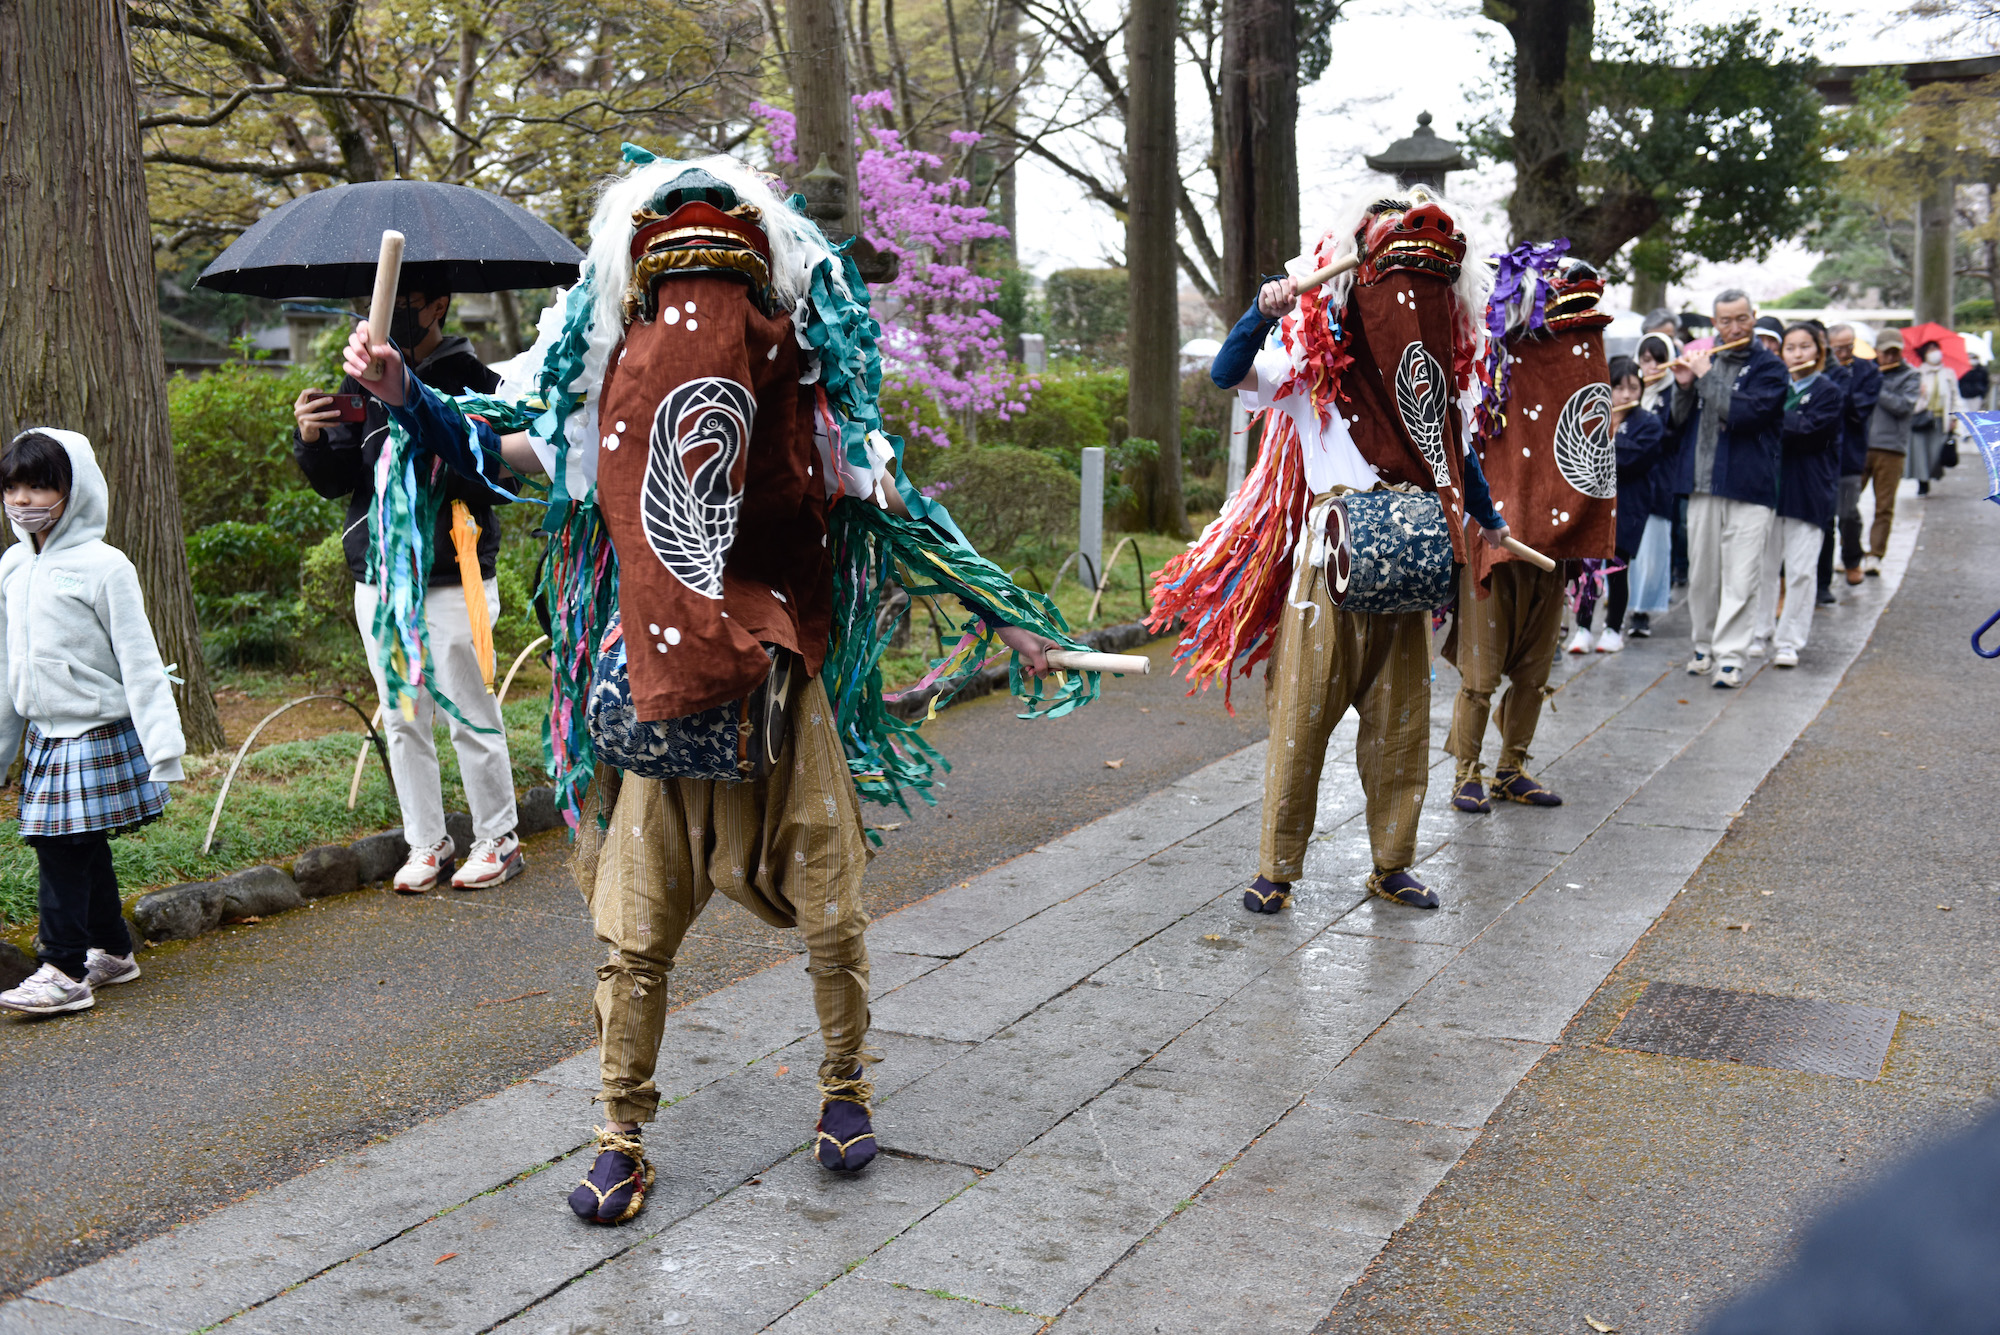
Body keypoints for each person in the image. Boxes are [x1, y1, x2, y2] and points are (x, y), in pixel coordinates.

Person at [342, 155, 1076, 1224]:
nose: (701, 315)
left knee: (831, 905)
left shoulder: (804, 389)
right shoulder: (596, 394)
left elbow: (889, 500)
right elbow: (494, 441)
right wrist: (401, 392)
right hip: (653, 687)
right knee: (633, 934)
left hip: (780, 680)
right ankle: (618, 1135)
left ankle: (843, 1089)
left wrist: (1006, 613)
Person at [1178, 187, 1507, 913]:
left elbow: (1457, 456)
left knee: (1401, 721)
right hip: (1330, 560)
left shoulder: (1432, 375)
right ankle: (1276, 868)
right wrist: (1259, 312)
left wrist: (1491, 521)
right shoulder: (1313, 364)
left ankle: (1393, 861)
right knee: (1302, 716)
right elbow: (1227, 373)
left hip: (1412, 556)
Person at [293, 283, 522, 893]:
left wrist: (425, 423)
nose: (390, 312)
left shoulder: (479, 379)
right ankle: (427, 841)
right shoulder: (359, 377)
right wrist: (312, 438)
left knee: (469, 710)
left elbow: (502, 477)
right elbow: (339, 480)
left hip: (453, 572)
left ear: (439, 304)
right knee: (401, 714)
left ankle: (498, 837)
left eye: (405, 298)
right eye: (376, 300)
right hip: (381, 576)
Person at [0, 430, 186, 1017]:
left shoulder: (106, 567)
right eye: (13, 487)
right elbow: (10, 666)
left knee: (60, 847)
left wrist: (165, 748)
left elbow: (140, 659)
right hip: (44, 736)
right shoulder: (11, 566)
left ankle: (61, 967)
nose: (25, 499)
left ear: (72, 490)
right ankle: (112, 949)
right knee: (80, 847)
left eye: (40, 486)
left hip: (94, 733)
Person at [1449, 247, 1615, 811]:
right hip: (1495, 529)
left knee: (1535, 666)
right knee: (1481, 665)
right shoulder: (1496, 351)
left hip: (1555, 528)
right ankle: (1465, 773)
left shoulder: (1583, 359)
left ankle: (1512, 767)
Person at [1670, 289, 1787, 689]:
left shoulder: (1770, 367)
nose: (1735, 327)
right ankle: (1703, 646)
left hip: (1750, 487)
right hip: (1701, 484)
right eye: (1726, 321)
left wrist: (1705, 376)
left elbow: (1743, 414)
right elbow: (1676, 422)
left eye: (1742, 319)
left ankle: (1731, 656)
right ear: (1714, 323)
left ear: (1754, 317)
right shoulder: (1707, 360)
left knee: (1742, 575)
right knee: (1702, 574)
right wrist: (1685, 386)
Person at [1751, 324, 1841, 667]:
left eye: (1805, 347)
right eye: (1791, 348)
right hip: (1768, 490)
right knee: (1764, 568)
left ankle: (1789, 640)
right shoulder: (1774, 388)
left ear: (1818, 351)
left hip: (1809, 491)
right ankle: (1759, 631)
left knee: (1802, 571)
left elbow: (1809, 430)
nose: (1798, 354)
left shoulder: (1828, 390)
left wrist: (1769, 415)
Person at [1600, 355, 1667, 654]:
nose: (1626, 395)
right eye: (1619, 387)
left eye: (1633, 387)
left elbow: (1632, 460)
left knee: (1617, 567)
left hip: (1629, 504)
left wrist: (1606, 440)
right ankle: (1583, 628)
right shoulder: (1594, 415)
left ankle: (1613, 627)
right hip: (1595, 502)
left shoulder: (1649, 422)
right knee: (1586, 568)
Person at [1624, 333, 1682, 638]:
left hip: (1659, 478)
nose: (1653, 366)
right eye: (1646, 359)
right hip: (1627, 479)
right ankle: (1620, 602)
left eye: (1659, 358)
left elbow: (1672, 434)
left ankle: (1642, 610)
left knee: (1652, 548)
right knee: (1623, 545)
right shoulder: (1627, 389)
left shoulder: (1676, 393)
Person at [1862, 329, 1921, 576]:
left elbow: (1904, 406)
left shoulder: (1911, 376)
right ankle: (1850, 552)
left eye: (1895, 352)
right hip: (1862, 445)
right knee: (1846, 501)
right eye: (1886, 352)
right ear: (1877, 351)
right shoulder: (1866, 370)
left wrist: (1878, 387)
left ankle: (1875, 554)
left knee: (1883, 506)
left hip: (1891, 449)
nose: (1891, 356)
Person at [1826, 323, 1879, 590]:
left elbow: (1860, 408)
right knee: (1822, 516)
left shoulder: (1867, 370)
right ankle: (1822, 574)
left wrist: (1842, 384)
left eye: (1850, 345)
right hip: (1821, 451)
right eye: (1839, 347)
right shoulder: (1820, 368)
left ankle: (1852, 560)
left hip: (1850, 451)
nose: (1845, 352)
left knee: (1847, 511)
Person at [1907, 340, 1960, 495]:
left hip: (1941, 419)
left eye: (1936, 348)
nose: (1934, 352)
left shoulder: (1948, 373)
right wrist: (1921, 394)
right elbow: (1911, 400)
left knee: (1935, 452)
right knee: (1921, 452)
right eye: (1930, 349)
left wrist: (1954, 417)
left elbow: (1955, 396)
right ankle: (1922, 483)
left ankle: (1932, 475)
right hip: (1922, 418)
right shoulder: (1917, 373)